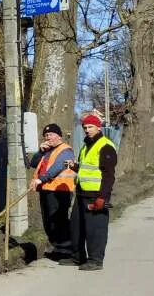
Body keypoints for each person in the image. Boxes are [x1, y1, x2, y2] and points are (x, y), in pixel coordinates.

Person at [63, 113, 117, 271]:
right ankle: (77, 257)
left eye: (90, 127)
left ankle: (95, 260)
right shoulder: (86, 146)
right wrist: (74, 166)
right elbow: (88, 169)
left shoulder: (105, 146)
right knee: (76, 227)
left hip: (96, 195)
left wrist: (102, 198)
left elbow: (108, 175)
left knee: (96, 229)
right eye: (85, 127)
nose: (87, 130)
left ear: (98, 127)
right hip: (81, 193)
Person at [28, 123, 75, 257]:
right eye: (45, 135)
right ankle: (58, 248)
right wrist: (40, 152)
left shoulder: (65, 150)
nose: (47, 138)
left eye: (50, 135)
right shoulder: (47, 151)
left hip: (60, 190)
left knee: (59, 220)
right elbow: (33, 163)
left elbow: (58, 167)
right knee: (48, 221)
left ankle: (66, 249)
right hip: (47, 189)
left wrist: (41, 179)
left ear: (59, 136)